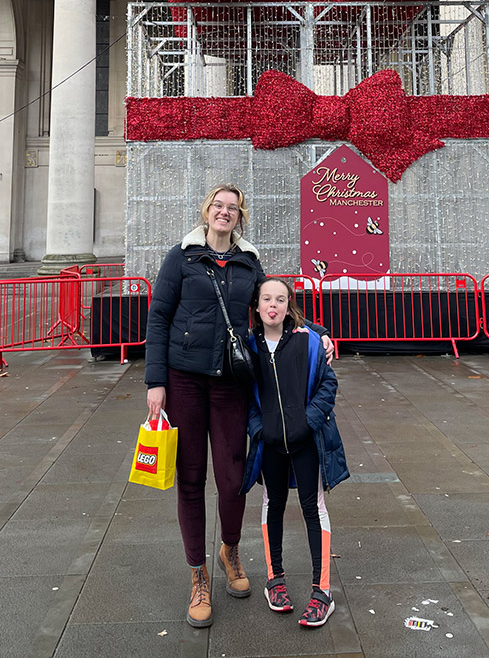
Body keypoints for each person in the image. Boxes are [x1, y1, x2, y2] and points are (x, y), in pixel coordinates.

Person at [144, 185, 333, 629]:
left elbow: (274, 304)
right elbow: (158, 317)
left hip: (230, 384)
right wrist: (156, 382)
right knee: (190, 479)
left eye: (232, 208)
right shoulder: (181, 257)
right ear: (206, 212)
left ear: (239, 216)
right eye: (218, 206)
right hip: (184, 380)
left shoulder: (248, 262)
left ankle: (230, 549)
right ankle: (199, 575)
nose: (224, 213)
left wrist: (318, 333)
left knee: (233, 480)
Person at [242, 278, 349, 629]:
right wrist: (258, 429)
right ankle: (276, 581)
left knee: (312, 507)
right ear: (256, 306)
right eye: (266, 299)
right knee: (272, 505)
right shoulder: (248, 347)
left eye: (281, 299)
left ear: (290, 305)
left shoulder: (311, 341)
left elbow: (327, 383)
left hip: (307, 442)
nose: (273, 305)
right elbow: (244, 397)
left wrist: (309, 421)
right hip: (270, 444)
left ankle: (323, 593)